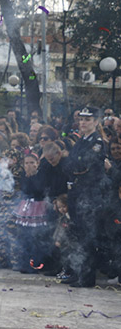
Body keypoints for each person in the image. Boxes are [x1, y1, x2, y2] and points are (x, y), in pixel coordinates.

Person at [61, 106, 107, 287]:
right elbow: (68, 166)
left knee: (87, 236)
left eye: (87, 119)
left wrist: (74, 163)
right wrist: (73, 163)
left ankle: (87, 278)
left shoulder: (97, 142)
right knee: (77, 234)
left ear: (96, 122)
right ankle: (77, 271)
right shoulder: (81, 141)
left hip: (88, 195)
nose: (83, 123)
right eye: (81, 119)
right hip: (76, 192)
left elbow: (84, 165)